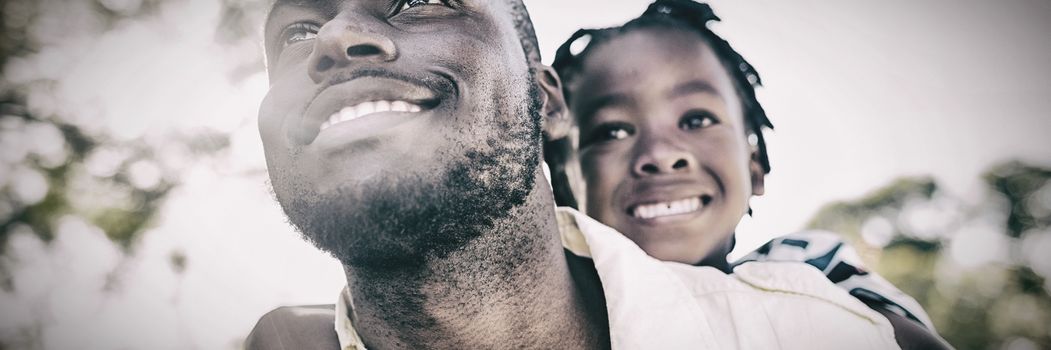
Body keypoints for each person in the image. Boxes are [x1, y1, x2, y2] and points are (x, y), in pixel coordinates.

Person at [247, 0, 902, 348]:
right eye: (296, 34)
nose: (660, 157)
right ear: (563, 161)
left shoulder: (823, 304)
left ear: (544, 103)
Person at [549, 1, 950, 349]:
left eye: (697, 119)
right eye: (612, 131)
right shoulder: (547, 303)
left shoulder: (812, 267)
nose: (661, 155)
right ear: (564, 183)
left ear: (755, 167)